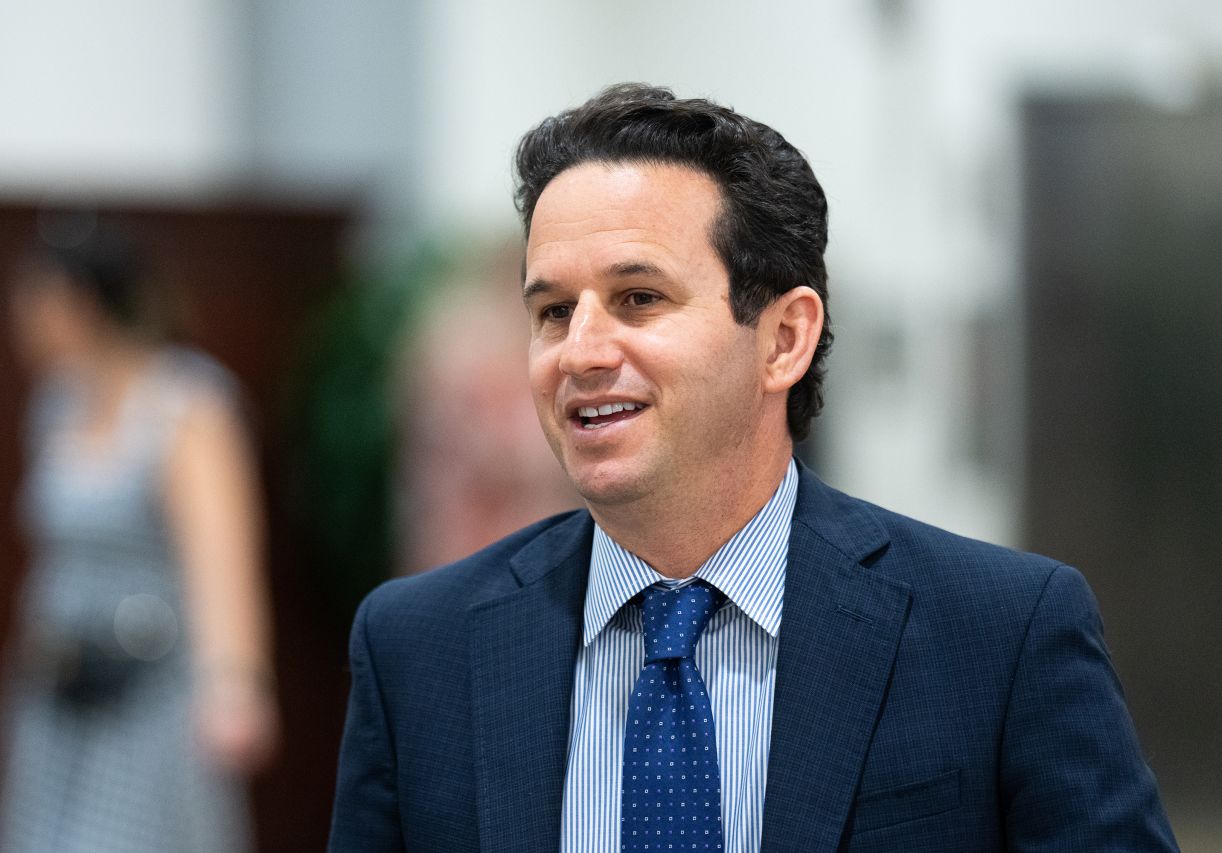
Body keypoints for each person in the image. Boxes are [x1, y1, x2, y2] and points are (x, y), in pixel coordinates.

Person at [329, 84, 1178, 851]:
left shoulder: (1000, 635)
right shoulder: (418, 651)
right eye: (552, 310)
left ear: (784, 339)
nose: (579, 351)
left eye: (638, 298)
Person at [1, 227, 278, 853]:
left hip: (149, 694)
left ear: (78, 302)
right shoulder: (55, 406)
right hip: (57, 690)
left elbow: (222, 556)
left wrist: (236, 683)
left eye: (32, 300)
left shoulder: (184, 404)